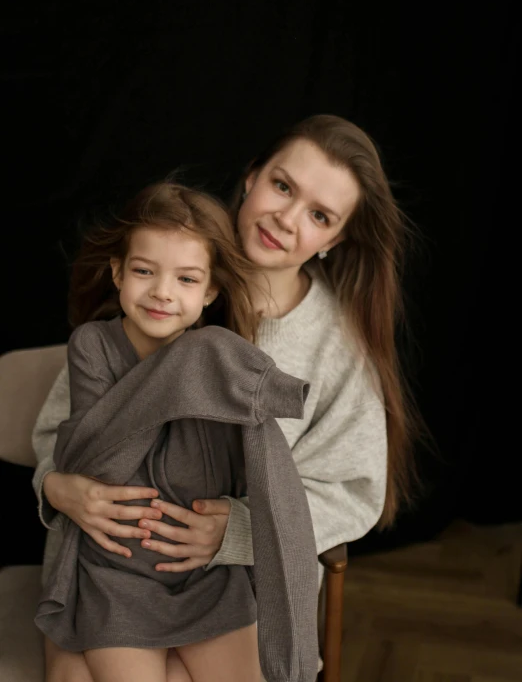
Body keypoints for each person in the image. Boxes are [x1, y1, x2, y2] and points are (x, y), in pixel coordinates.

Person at [33, 114, 421, 681]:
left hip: (242, 587)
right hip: (108, 569)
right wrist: (55, 485)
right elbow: (58, 433)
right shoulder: (163, 284)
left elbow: (353, 489)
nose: (286, 219)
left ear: (334, 240)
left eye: (319, 216)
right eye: (282, 186)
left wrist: (238, 531)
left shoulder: (337, 344)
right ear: (251, 177)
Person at [33, 181, 319, 682]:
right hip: (114, 574)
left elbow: (244, 481)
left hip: (205, 576)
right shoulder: (95, 347)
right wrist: (185, 363)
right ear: (118, 272)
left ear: (210, 291)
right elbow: (98, 465)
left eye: (187, 279)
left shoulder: (221, 361)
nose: (163, 292)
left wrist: (199, 360)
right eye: (144, 271)